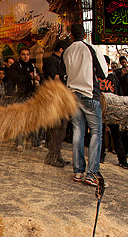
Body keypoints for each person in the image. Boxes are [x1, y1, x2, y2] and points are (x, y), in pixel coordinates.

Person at [63, 23, 106, 186]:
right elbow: (103, 73)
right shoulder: (90, 48)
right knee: (96, 132)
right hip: (89, 93)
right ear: (85, 35)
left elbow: (64, 74)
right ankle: (92, 173)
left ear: (72, 35)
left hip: (72, 95)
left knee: (77, 131)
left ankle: (78, 171)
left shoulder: (67, 51)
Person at [42, 40, 70, 167]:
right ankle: (52, 156)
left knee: (61, 128)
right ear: (61, 50)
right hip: (55, 99)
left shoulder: (58, 61)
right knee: (56, 128)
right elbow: (55, 79)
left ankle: (57, 155)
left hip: (59, 99)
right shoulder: (52, 61)